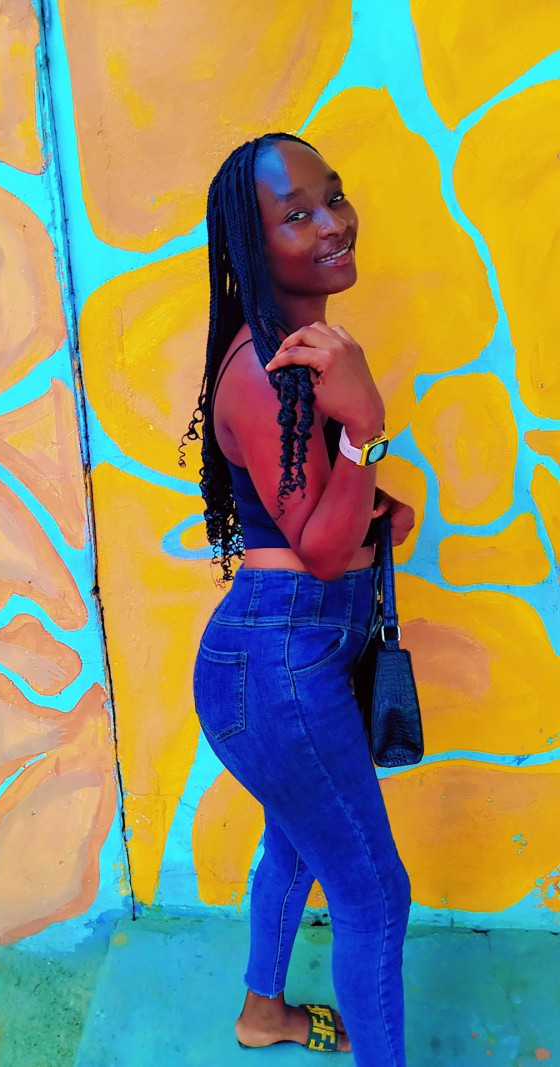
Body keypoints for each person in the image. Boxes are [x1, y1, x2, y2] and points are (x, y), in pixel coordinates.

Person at [181, 133, 415, 1066]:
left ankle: (262, 1013)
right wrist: (366, 428)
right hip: (280, 662)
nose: (333, 223)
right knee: (375, 895)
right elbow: (317, 554)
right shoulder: (261, 367)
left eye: (335, 196)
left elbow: (317, 520)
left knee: (300, 843)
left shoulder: (302, 350)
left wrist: (371, 505)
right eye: (298, 214)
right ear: (253, 242)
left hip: (289, 656)